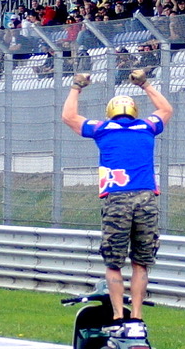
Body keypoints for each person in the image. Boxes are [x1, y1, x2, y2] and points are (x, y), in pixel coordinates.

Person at [61, 68, 173, 334]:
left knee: (113, 262)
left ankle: (117, 315)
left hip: (116, 199)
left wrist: (77, 86)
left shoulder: (102, 129)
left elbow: (69, 116)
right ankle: (136, 315)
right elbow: (166, 110)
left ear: (110, 112)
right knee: (141, 262)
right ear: (134, 111)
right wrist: (145, 83)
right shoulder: (147, 127)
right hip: (146, 197)